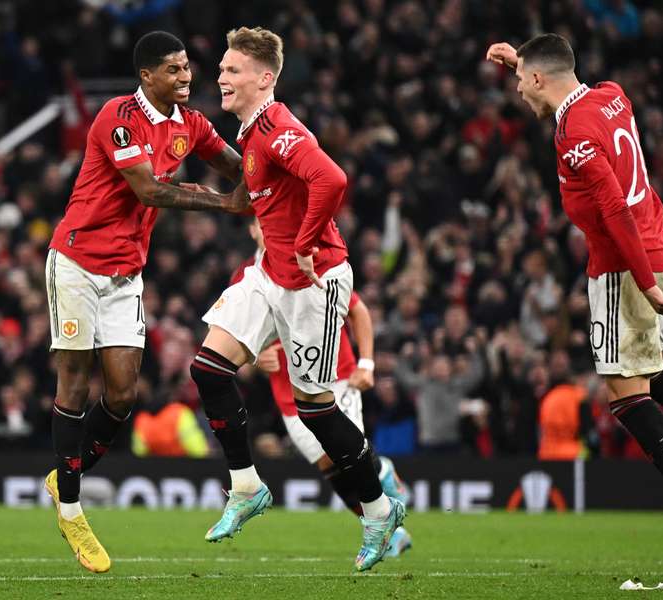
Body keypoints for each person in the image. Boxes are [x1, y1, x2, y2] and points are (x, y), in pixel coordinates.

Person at [486, 34, 663, 567]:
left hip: (626, 268)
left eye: (523, 81)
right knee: (649, 373)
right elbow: (566, 96)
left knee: (622, 392)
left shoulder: (572, 135)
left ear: (541, 79)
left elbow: (613, 207)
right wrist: (515, 61)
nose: (519, 89)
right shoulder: (612, 95)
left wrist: (646, 286)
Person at [189, 27, 403, 572]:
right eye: (222, 68)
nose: (221, 77)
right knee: (209, 368)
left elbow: (332, 178)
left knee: (316, 410)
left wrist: (306, 243)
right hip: (269, 274)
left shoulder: (279, 127)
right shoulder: (252, 134)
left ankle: (379, 511)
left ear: (265, 79)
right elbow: (261, 202)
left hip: (315, 282)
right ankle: (245, 487)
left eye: (233, 70)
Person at [43, 31, 248, 574]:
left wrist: (281, 166)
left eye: (188, 68)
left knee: (122, 392)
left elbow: (237, 165)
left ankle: (67, 470)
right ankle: (71, 507)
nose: (187, 77)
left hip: (125, 274)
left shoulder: (190, 124)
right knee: (74, 380)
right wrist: (221, 204)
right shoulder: (116, 117)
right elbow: (150, 191)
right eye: (176, 70)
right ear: (147, 77)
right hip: (77, 263)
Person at [236, 218, 413, 557]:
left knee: (346, 456)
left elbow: (357, 312)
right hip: (290, 395)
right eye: (260, 222)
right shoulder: (247, 277)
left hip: (337, 375)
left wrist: (367, 363)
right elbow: (236, 340)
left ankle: (381, 473)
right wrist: (255, 359)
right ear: (253, 230)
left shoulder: (309, 260)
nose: (266, 227)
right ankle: (393, 533)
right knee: (328, 467)